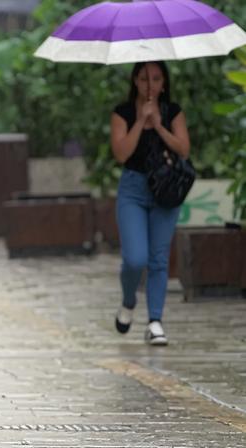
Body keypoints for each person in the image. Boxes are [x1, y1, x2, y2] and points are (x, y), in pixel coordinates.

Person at [110, 61, 190, 346]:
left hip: (166, 190)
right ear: (135, 81)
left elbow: (183, 148)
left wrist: (158, 126)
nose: (150, 85)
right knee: (135, 258)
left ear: (164, 83)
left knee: (158, 259)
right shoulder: (123, 113)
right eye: (144, 78)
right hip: (133, 188)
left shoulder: (172, 112)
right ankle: (129, 300)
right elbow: (121, 154)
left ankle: (155, 321)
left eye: (156, 79)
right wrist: (140, 123)